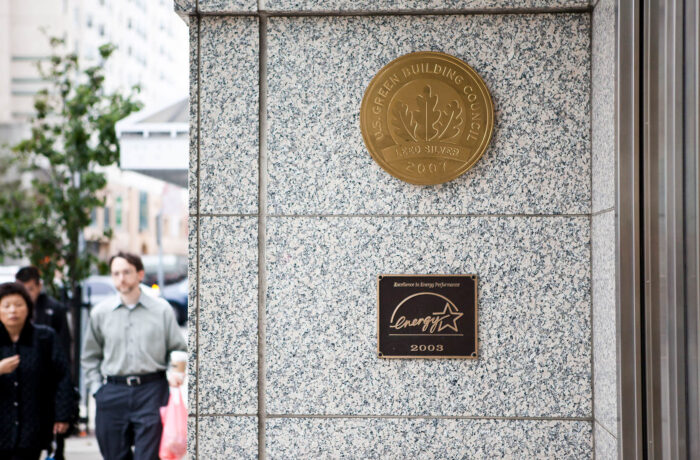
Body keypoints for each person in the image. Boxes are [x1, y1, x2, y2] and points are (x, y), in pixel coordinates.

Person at [82, 251, 186, 460]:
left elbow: (178, 348)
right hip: (112, 392)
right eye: (116, 273)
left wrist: (176, 373)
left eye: (127, 272)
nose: (121, 278)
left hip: (152, 391)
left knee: (148, 457)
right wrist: (96, 390)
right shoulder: (100, 313)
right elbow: (90, 356)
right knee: (113, 455)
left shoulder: (161, 310)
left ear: (140, 274)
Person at [0, 282, 73, 460]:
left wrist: (62, 415)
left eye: (18, 305)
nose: (12, 311)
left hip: (32, 426)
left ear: (28, 308)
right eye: (6, 306)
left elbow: (62, 377)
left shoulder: (45, 337)